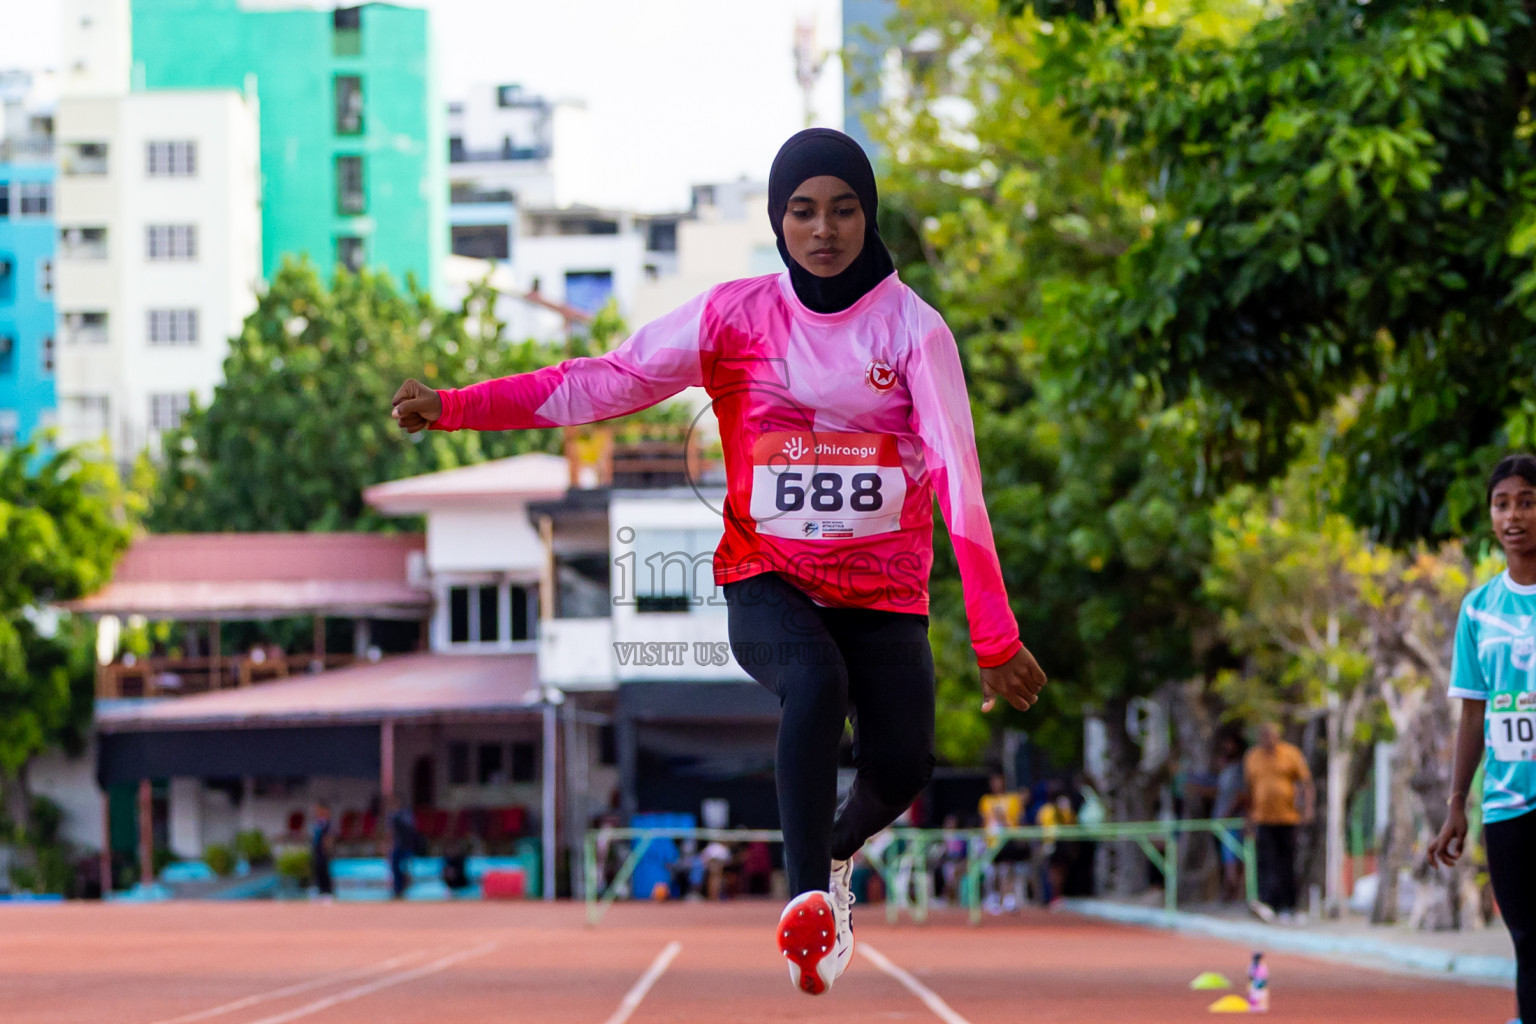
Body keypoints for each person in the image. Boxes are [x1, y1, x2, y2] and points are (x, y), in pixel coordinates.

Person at [390, 127, 1046, 996]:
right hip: (767, 579)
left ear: (868, 216)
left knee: (901, 768)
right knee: (814, 684)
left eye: (843, 210)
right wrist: (457, 407)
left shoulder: (914, 333)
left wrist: (994, 635)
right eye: (802, 211)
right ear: (778, 221)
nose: (823, 229)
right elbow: (602, 380)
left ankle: (834, 854)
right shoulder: (732, 318)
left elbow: (960, 483)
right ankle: (809, 904)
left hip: (883, 593)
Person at [1429, 454, 1536, 1024]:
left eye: (1527, 502)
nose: (1513, 515)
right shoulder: (1478, 610)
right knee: (1528, 938)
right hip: (1508, 803)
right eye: (1502, 504)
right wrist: (1456, 803)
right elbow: (1474, 714)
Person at [1243, 722, 1314, 923]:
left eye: (1270, 735)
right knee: (1266, 861)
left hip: (1287, 818)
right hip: (1263, 818)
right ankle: (1268, 904)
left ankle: (1288, 905)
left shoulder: (1290, 754)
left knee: (1286, 862)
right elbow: (1248, 790)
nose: (1267, 738)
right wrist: (1248, 819)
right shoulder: (1252, 757)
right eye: (1264, 735)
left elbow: (1306, 783)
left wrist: (1308, 808)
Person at [979, 772, 1029, 913]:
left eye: (999, 781)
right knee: (992, 872)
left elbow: (1019, 820)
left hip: (1008, 840)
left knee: (1008, 869)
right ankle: (994, 898)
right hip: (992, 841)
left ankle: (1009, 898)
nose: (997, 784)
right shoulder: (986, 800)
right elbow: (984, 821)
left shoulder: (1013, 799)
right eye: (994, 781)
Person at [1211, 734, 1248, 903]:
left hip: (1232, 820)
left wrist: (1228, 812)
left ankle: (1235, 893)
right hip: (1221, 820)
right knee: (1227, 859)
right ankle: (1229, 892)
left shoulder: (1239, 769)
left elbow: (1240, 794)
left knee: (1233, 859)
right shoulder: (1225, 769)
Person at [386, 798, 416, 900]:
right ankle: (397, 889)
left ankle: (404, 888)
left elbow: (410, 831)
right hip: (397, 846)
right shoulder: (391, 816)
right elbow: (390, 833)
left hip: (407, 846)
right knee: (395, 868)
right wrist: (389, 846)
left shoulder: (406, 815)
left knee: (405, 869)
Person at [309, 800, 334, 900]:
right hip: (316, 850)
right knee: (317, 870)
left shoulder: (327, 824)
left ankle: (327, 891)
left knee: (324, 870)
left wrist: (327, 849)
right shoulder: (317, 823)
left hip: (323, 851)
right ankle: (320, 891)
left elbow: (329, 837)